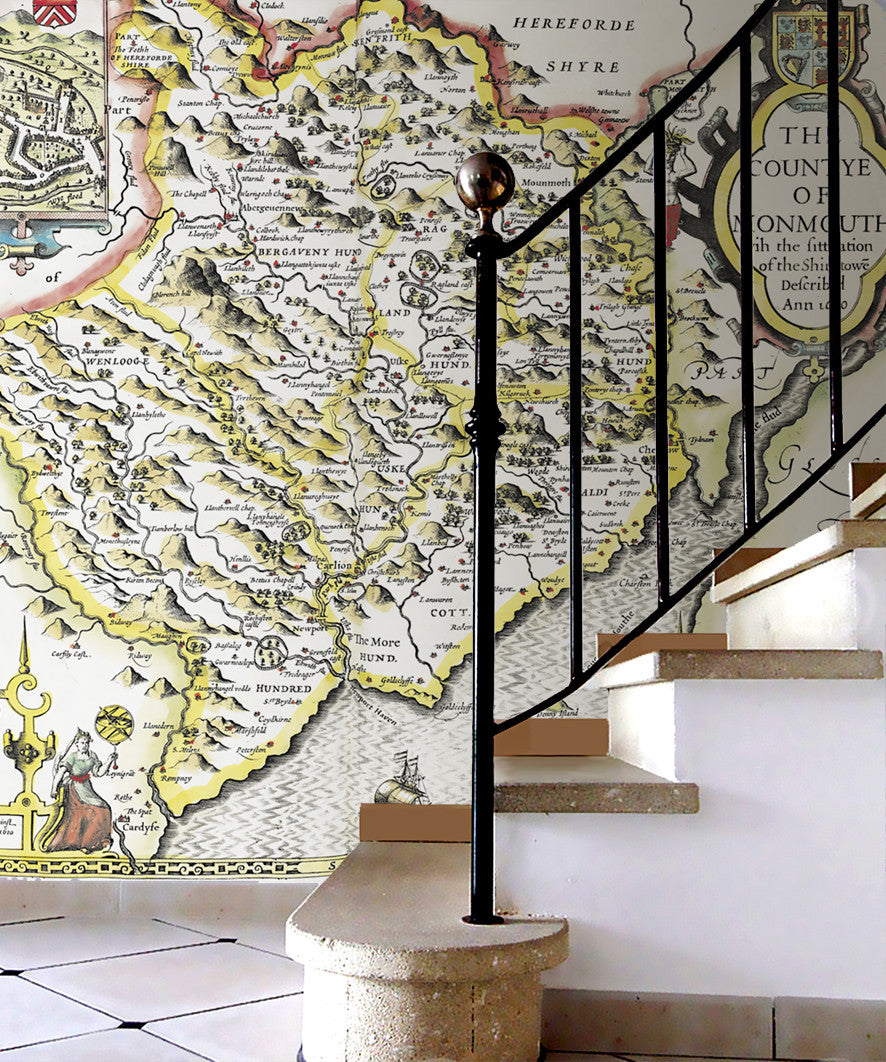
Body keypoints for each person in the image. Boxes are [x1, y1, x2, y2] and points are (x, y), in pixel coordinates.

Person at [39, 729, 117, 853]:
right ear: (76, 744)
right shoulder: (73, 757)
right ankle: (84, 843)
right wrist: (54, 788)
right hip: (74, 789)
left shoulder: (92, 756)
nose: (84, 745)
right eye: (82, 743)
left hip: (86, 787)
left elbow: (98, 773)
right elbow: (60, 773)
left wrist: (109, 761)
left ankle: (93, 843)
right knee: (88, 811)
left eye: (86, 743)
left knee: (104, 809)